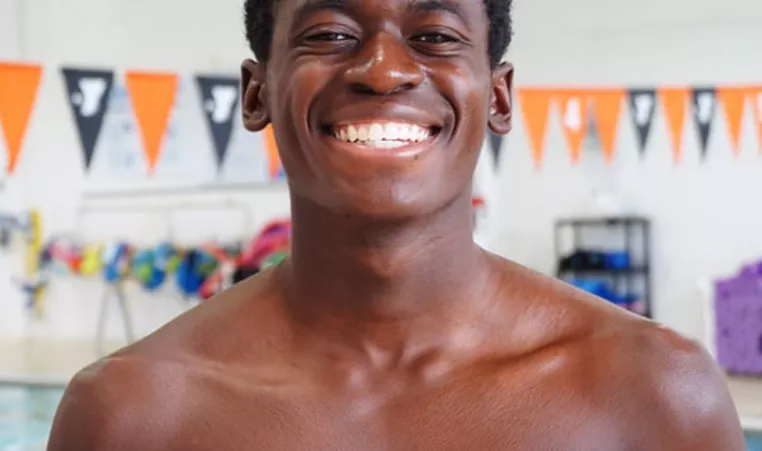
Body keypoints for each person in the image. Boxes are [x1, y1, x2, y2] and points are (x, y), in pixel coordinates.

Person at [47, 0, 746, 449]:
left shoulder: (657, 394)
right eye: (331, 33)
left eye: (434, 35)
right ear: (257, 93)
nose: (383, 70)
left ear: (498, 97)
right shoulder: (130, 415)